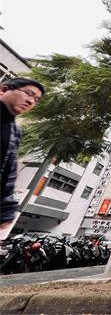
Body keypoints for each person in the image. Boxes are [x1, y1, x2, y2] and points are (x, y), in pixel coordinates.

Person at [0, 78, 44, 232]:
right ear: (3, 90)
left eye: (36, 100)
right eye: (29, 94)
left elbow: (8, 172)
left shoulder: (15, 131)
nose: (31, 101)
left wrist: (7, 210)